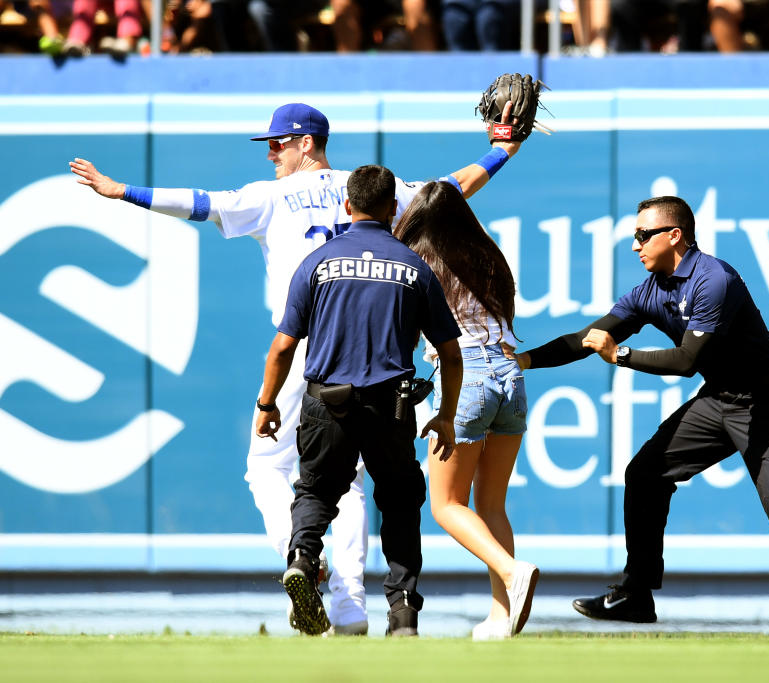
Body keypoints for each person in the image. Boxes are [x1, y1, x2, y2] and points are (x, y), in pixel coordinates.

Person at [69, 101, 523, 636]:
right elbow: (451, 188)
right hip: (379, 348)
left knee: (270, 468)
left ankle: (303, 557)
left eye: (278, 142)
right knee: (353, 481)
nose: (271, 153)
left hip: (312, 348)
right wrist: (501, 150)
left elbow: (198, 204)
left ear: (307, 142)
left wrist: (122, 191)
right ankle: (350, 605)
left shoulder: (271, 197)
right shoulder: (373, 187)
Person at [515, 195, 769, 640]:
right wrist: (523, 359)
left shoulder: (714, 279)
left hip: (766, 400)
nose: (635, 245)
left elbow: (685, 361)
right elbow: (590, 336)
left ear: (674, 235)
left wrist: (621, 355)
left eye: (644, 235)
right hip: (718, 397)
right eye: (635, 236)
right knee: (645, 474)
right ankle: (636, 596)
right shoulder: (650, 290)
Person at [255, 164, 463, 637]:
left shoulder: (318, 263)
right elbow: (451, 354)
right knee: (401, 502)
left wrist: (268, 404)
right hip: (390, 407)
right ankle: (403, 613)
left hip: (326, 402)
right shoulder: (415, 269)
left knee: (315, 491)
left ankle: (303, 561)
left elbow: (284, 346)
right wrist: (446, 416)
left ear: (347, 206)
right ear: (394, 209)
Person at [394, 181, 538, 640]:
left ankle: (513, 572)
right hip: (510, 375)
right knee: (492, 504)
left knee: (445, 504)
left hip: (466, 378)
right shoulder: (488, 257)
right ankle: (502, 617)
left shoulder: (415, 262)